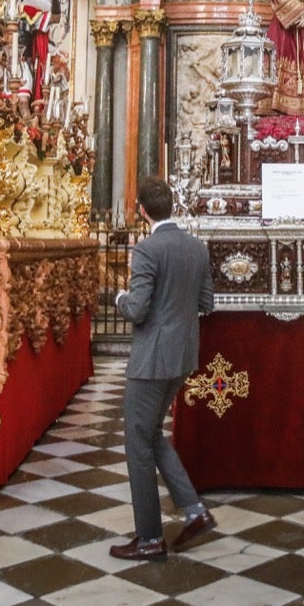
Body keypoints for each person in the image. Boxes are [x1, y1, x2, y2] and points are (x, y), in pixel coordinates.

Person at [110, 176, 217, 562]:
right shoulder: (196, 248)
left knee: (137, 442)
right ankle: (193, 510)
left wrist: (121, 296)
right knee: (153, 435)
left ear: (142, 210)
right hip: (182, 355)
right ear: (172, 206)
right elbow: (207, 302)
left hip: (151, 359)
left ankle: (150, 537)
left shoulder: (147, 250)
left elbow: (136, 309)